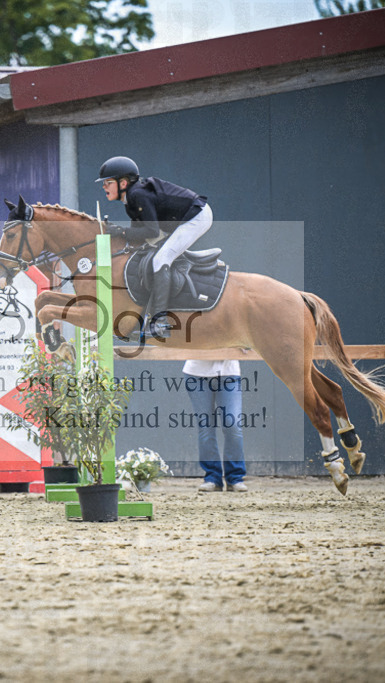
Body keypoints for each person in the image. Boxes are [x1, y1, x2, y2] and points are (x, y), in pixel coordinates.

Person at [96, 156, 212, 340]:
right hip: (177, 221)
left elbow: (150, 230)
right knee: (144, 256)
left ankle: (161, 322)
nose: (104, 187)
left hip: (195, 217)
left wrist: (122, 232)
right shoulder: (130, 199)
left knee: (161, 259)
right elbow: (139, 236)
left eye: (108, 183)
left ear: (123, 182)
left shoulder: (138, 195)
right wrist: (121, 235)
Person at [184, 359, 248, 492]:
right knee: (206, 427)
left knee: (233, 424)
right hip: (197, 374)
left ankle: (235, 477)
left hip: (229, 373)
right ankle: (212, 478)